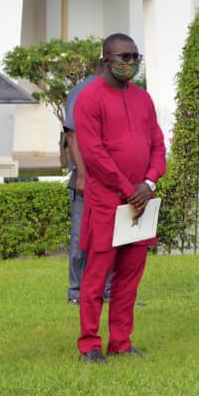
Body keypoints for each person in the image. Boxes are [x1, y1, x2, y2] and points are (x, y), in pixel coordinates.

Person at [74, 33, 166, 363]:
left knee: (130, 277)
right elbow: (94, 154)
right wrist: (129, 190)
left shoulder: (143, 99)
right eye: (122, 57)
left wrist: (148, 181)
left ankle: (121, 342)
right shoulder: (89, 98)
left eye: (134, 58)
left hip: (140, 204)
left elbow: (158, 145)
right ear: (105, 60)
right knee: (96, 278)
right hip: (106, 203)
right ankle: (89, 343)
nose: (129, 64)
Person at [63, 63, 111, 305]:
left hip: (113, 180)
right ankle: (76, 291)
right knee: (82, 235)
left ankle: (108, 291)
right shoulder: (83, 90)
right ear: (106, 62)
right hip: (87, 177)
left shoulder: (120, 91)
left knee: (112, 236)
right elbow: (72, 134)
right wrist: (81, 174)